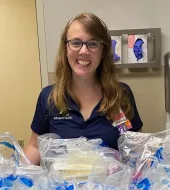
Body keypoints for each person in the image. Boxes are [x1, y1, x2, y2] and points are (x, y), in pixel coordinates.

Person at [25, 13, 143, 165]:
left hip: (110, 187)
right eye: (76, 43)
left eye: (93, 43)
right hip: (61, 187)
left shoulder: (120, 95)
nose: (83, 51)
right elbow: (34, 146)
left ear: (103, 51)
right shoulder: (49, 97)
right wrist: (15, 175)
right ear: (65, 48)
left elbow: (135, 147)